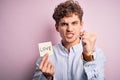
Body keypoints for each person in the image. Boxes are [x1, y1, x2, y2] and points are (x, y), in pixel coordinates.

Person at [33, 0, 105, 80]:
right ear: (57, 27)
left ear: (81, 25)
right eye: (64, 24)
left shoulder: (96, 53)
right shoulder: (46, 56)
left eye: (74, 23)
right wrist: (48, 78)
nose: (69, 29)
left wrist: (87, 56)